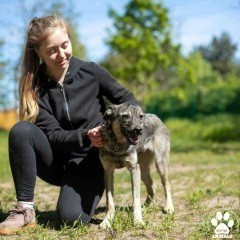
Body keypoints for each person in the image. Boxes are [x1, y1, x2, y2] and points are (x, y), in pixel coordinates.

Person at [0, 15, 138, 235]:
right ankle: (24, 210)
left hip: (90, 161)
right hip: (55, 160)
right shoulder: (35, 87)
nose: (61, 54)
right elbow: (53, 135)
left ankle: (75, 194)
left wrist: (113, 131)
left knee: (70, 218)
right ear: (39, 52)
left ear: (70, 40)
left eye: (65, 45)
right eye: (52, 50)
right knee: (21, 130)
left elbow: (128, 100)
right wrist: (85, 135)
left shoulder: (91, 72)